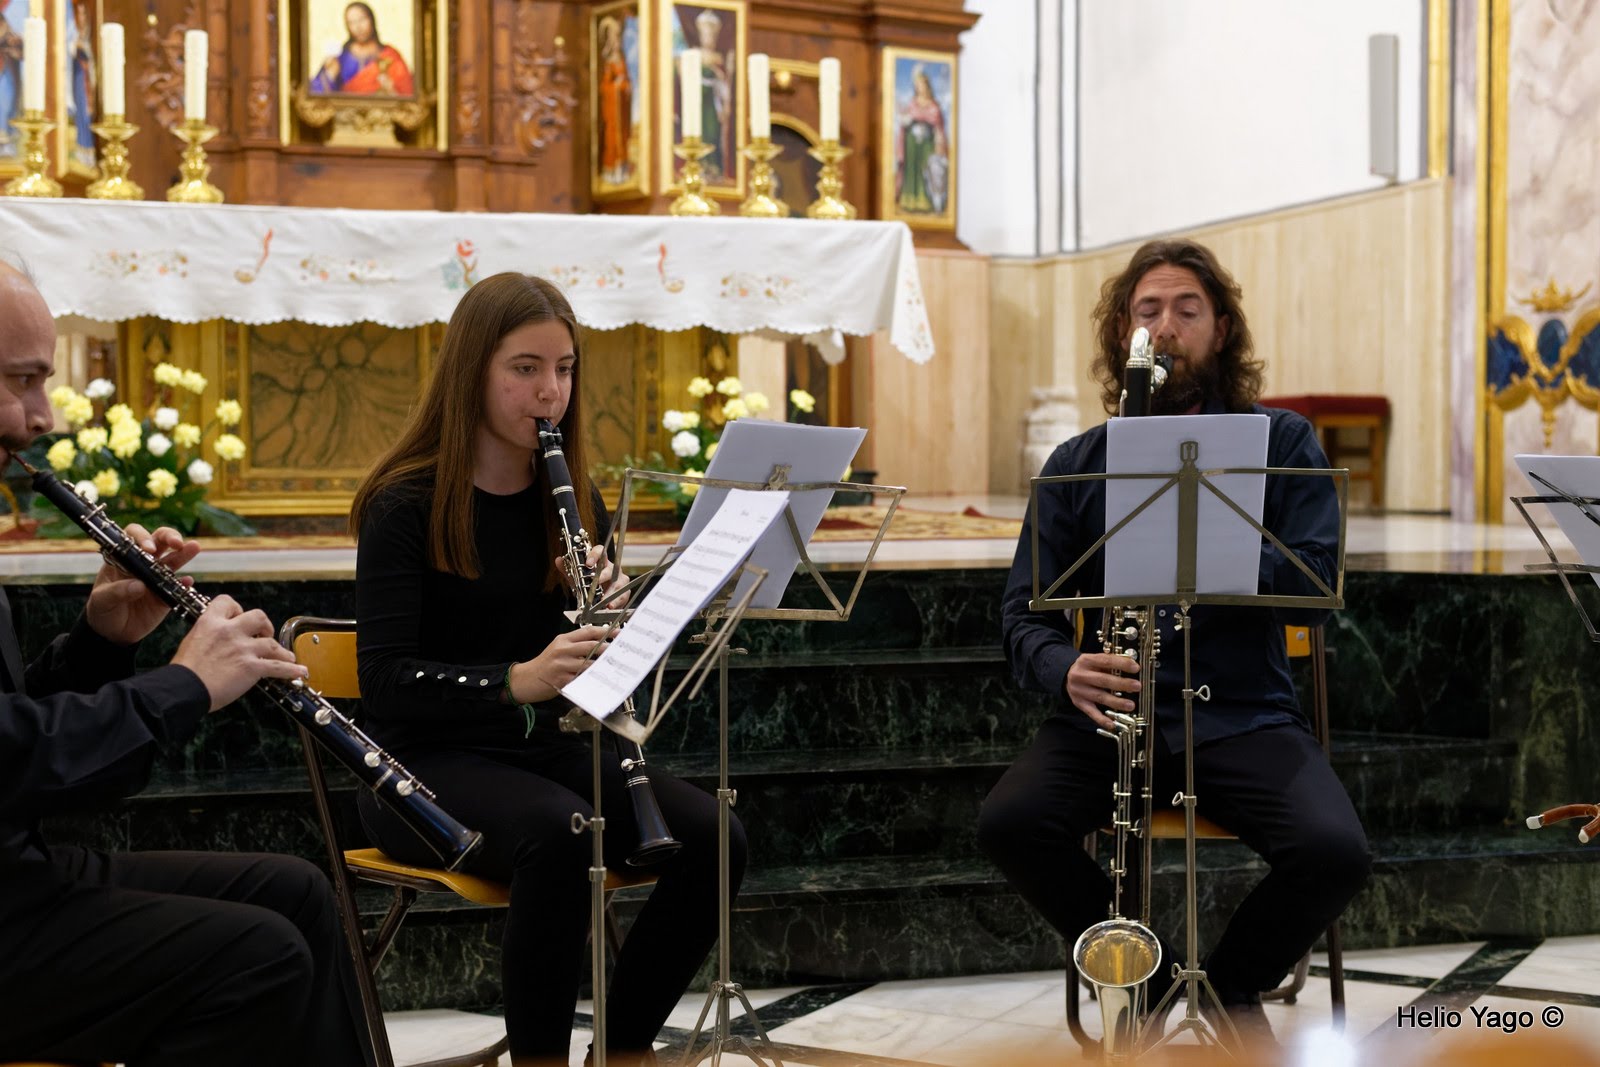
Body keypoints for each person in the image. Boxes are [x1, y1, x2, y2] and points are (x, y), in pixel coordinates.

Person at [977, 238, 1370, 1044]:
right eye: (1147, 311)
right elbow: (1023, 614)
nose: (1166, 326)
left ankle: (1229, 985)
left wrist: (1217, 532)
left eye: (1188, 310)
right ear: (1123, 332)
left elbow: (1317, 587)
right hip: (1113, 714)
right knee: (1010, 821)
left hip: (1243, 711)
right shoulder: (1079, 463)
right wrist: (1065, 668)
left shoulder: (1281, 443)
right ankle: (1147, 977)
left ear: (1221, 329)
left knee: (1335, 851)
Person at [350, 272, 744, 1067]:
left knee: (716, 835)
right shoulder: (402, 504)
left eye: (563, 369)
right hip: (418, 767)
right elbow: (385, 679)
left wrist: (606, 618)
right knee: (564, 836)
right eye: (525, 368)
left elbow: (586, 681)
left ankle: (621, 1050)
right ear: (473, 372)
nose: (550, 391)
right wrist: (513, 679)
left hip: (538, 751)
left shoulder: (571, 497)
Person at [0, 260, 373, 1066]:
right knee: (257, 955)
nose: (42, 417)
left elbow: (29, 747)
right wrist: (187, 684)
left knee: (297, 891)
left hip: (17, 873)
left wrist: (107, 640)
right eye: (22, 381)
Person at [311, 1, 414, 96]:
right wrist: (330, 76)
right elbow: (315, 93)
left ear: (372, 20)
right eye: (351, 22)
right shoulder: (340, 57)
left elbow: (408, 96)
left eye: (362, 19)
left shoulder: (391, 56)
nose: (358, 27)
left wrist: (391, 91)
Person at [894, 66, 948, 215]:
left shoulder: (933, 105)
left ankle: (927, 201)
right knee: (912, 171)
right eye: (917, 86)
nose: (920, 88)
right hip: (912, 143)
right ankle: (909, 201)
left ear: (927, 86)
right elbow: (906, 119)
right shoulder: (913, 103)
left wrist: (939, 145)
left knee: (927, 171)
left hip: (927, 144)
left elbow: (938, 126)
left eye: (922, 85)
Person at [596, 15, 633, 186]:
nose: (616, 40)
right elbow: (604, 87)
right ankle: (612, 170)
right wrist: (616, 87)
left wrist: (624, 86)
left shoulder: (622, 60)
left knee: (623, 136)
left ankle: (623, 167)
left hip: (622, 108)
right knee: (612, 137)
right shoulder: (608, 60)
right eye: (614, 36)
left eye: (618, 36)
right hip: (612, 109)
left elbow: (625, 81)